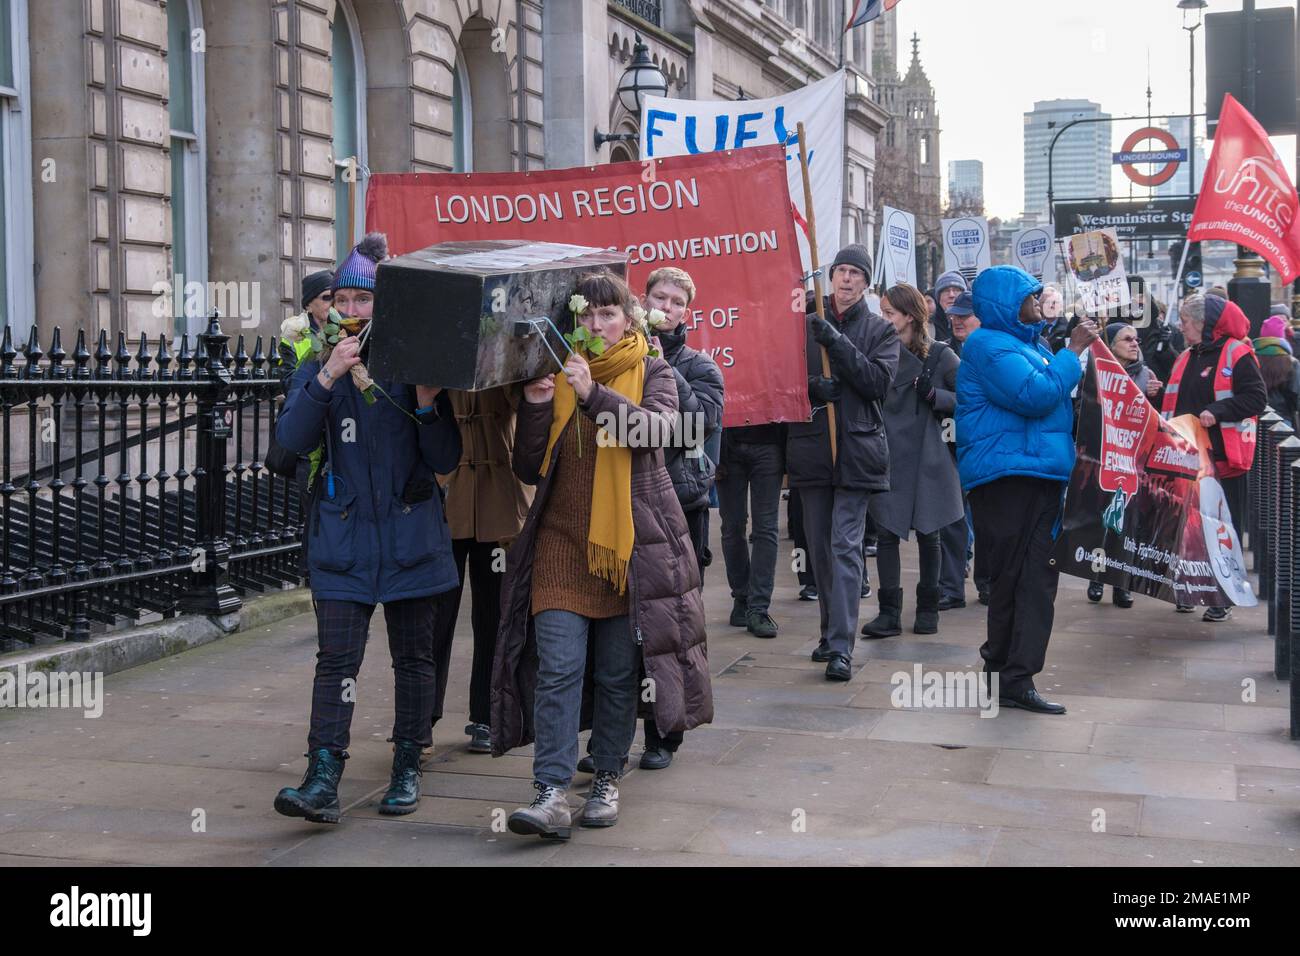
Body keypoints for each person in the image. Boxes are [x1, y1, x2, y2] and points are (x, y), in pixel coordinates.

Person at [494, 271, 712, 840]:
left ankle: (608, 774)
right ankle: (549, 791)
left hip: (628, 549)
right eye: (585, 315)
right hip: (560, 548)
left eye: (607, 314)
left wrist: (592, 395)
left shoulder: (653, 369)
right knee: (559, 670)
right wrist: (539, 405)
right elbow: (526, 467)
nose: (595, 325)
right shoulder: (557, 371)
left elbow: (660, 433)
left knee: (617, 675)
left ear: (628, 318)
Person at [272, 234, 463, 823]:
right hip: (343, 535)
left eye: (364, 300)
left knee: (414, 660)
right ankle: (322, 775)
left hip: (411, 535)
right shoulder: (315, 361)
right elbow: (285, 449)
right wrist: (327, 377)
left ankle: (407, 764)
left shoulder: (413, 359)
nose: (352, 312)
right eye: (343, 300)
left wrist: (429, 404)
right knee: (336, 662)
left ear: (386, 303)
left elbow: (445, 457)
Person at [577, 265, 722, 771]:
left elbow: (695, 428)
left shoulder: (698, 367)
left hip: (678, 507)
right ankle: (607, 743)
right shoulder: (611, 356)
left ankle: (664, 734)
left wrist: (668, 371)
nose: (667, 307)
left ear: (688, 310)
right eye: (658, 296)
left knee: (667, 630)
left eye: (677, 301)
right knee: (616, 639)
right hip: (621, 510)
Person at [957, 265, 1099, 715]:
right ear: (1006, 302)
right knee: (1013, 580)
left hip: (1039, 476)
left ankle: (1015, 676)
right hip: (1007, 479)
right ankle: (1004, 672)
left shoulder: (1028, 345)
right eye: (1031, 297)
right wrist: (1072, 351)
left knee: (1036, 581)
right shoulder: (987, 345)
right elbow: (1035, 395)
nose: (1039, 304)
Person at [788, 243, 900, 682]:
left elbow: (877, 383)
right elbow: (786, 383)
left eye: (856, 272)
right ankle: (828, 633)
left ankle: (841, 647)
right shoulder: (804, 326)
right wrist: (814, 386)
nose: (847, 279)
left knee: (845, 547)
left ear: (866, 282)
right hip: (813, 450)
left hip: (857, 451)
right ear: (831, 276)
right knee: (818, 551)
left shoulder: (880, 331)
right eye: (841, 271)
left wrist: (837, 345)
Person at [429, 386, 533, 754]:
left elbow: (527, 406)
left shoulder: (502, 347)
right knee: (435, 616)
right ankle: (422, 718)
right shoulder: (440, 346)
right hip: (447, 497)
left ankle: (486, 714)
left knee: (493, 616)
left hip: (499, 501)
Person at [860, 284, 963, 638]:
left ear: (910, 316)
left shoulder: (940, 356)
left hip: (928, 457)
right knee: (886, 533)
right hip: (887, 453)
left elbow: (970, 398)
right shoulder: (878, 351)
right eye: (882, 311)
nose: (883, 318)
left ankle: (928, 609)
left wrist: (935, 395)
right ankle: (889, 614)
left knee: (929, 534)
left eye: (889, 312)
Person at [1163, 293, 1267, 622]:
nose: (1181, 327)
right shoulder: (1188, 356)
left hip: (1223, 459)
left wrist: (1216, 411)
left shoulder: (1237, 353)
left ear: (1204, 324)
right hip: (1188, 458)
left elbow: (1256, 398)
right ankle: (1190, 589)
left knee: (1221, 530)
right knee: (1188, 529)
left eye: (1186, 321)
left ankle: (1222, 596)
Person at [1083, 322, 1163, 609]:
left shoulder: (1145, 375)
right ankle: (1096, 577)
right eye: (1126, 339)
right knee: (1101, 522)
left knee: (1126, 524)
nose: (1134, 343)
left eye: (1136, 339)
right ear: (1111, 344)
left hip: (1131, 461)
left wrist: (1155, 395)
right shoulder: (1094, 372)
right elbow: (1082, 412)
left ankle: (1121, 584)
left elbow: (1155, 421)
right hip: (1100, 458)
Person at [937, 291, 987, 607]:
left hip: (987, 447)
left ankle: (987, 584)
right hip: (952, 446)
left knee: (986, 522)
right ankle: (951, 587)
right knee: (953, 520)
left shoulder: (997, 351)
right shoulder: (943, 352)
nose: (956, 319)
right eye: (953, 314)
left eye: (964, 314)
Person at [718, 424, 785, 638]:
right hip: (728, 444)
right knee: (733, 526)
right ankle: (742, 597)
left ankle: (758, 607)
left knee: (764, 528)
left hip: (769, 441)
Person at [1256, 314, 1300, 430]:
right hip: (1283, 419)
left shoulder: (1251, 358)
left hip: (1254, 418)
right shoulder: (1292, 362)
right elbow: (1295, 394)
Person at [1138, 296, 1186, 388]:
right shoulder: (1126, 329)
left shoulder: (1171, 331)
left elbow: (1178, 365)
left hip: (1161, 388)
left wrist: (1166, 348)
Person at [931, 270, 968, 343]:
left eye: (956, 290)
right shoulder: (928, 327)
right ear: (938, 297)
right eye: (946, 291)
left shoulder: (974, 323)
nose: (951, 295)